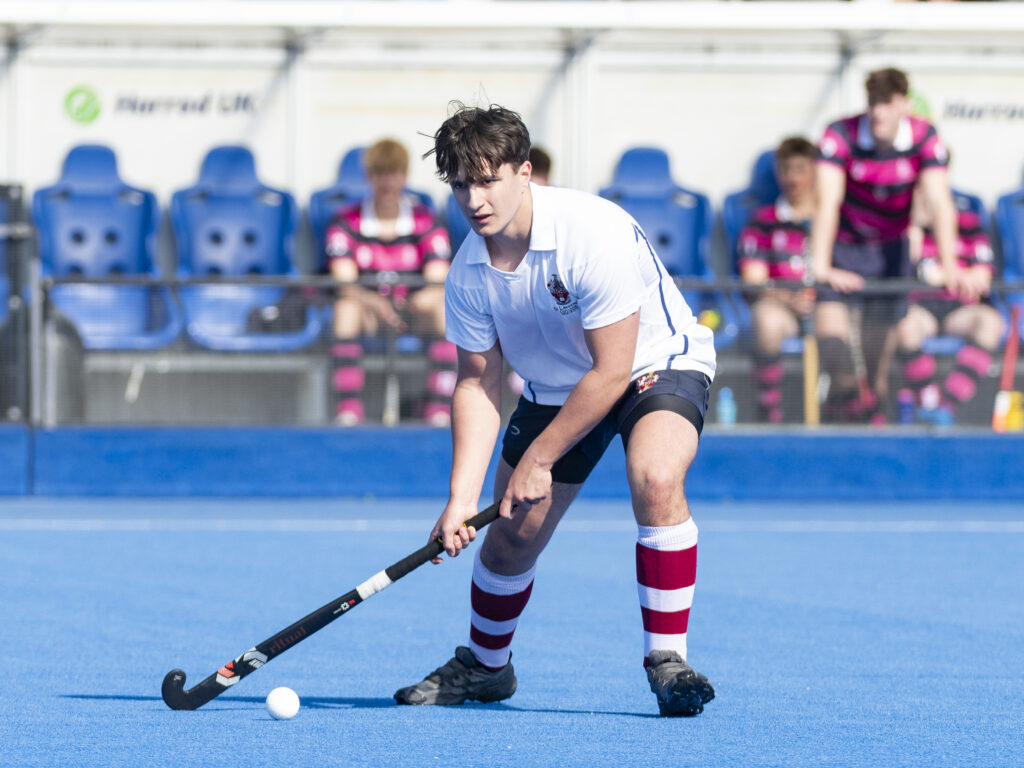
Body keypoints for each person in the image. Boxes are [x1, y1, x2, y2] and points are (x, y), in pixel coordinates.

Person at [392, 104, 717, 717]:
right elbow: (478, 384)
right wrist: (461, 498)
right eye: (461, 183)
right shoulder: (467, 273)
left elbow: (612, 372)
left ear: (526, 171)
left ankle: (667, 662)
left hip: (652, 362)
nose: (474, 199)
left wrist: (539, 458)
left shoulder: (591, 235)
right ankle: (486, 668)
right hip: (553, 386)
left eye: (487, 179)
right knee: (509, 541)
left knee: (655, 475)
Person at [809, 67, 983, 423]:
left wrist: (950, 264)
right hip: (843, 249)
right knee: (835, 355)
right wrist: (822, 265)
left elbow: (938, 201)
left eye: (887, 103)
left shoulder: (925, 137)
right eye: (873, 102)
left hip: (889, 256)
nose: (878, 112)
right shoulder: (839, 133)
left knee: (875, 375)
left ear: (904, 104)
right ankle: (838, 430)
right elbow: (826, 201)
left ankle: (873, 443)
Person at [324, 138, 455, 426]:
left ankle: (438, 409)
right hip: (370, 311)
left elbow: (437, 277)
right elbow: (345, 281)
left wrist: (415, 302)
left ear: (405, 176)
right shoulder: (345, 221)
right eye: (380, 173)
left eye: (394, 172)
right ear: (368, 177)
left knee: (442, 309)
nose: (387, 181)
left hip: (412, 310)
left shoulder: (425, 220)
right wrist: (376, 302)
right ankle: (348, 410)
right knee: (345, 308)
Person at [895, 182, 1004, 425]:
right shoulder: (904, 226)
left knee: (991, 322)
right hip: (921, 308)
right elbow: (909, 271)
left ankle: (947, 406)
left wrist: (946, 276)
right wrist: (912, 225)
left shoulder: (968, 222)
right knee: (904, 326)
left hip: (960, 307)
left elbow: (983, 274)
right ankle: (927, 400)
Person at [737, 137, 817, 423]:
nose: (793, 178)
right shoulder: (762, 220)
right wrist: (790, 299)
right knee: (766, 321)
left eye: (800, 169)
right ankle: (769, 414)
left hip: (827, 308)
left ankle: (848, 408)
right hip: (782, 308)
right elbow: (754, 281)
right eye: (786, 170)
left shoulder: (834, 218)